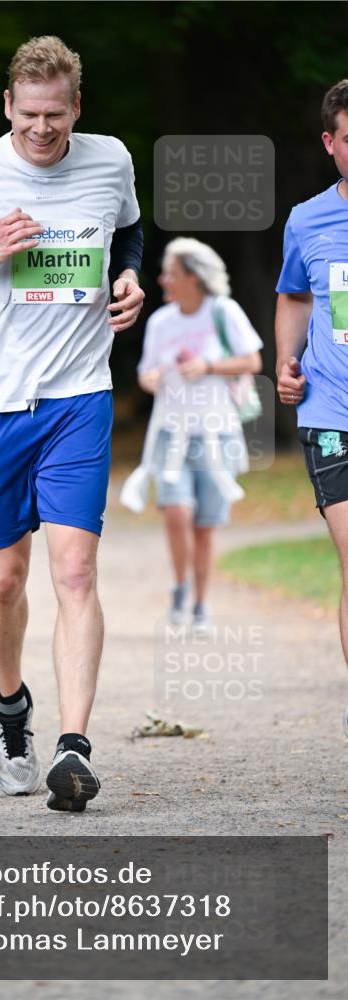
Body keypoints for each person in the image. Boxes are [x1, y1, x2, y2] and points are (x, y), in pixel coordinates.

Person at [0, 35, 145, 811]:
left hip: (79, 396)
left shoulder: (110, 160)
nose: (43, 128)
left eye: (57, 114)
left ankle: (73, 748)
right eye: (29, 114)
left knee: (73, 572)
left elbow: (128, 232)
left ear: (76, 107)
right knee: (5, 577)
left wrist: (131, 275)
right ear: (7, 106)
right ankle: (13, 711)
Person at [125, 239, 263, 631]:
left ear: (193, 278)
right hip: (171, 433)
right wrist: (150, 380)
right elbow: (146, 373)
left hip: (216, 435)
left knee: (205, 525)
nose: (164, 279)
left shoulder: (224, 312)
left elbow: (252, 360)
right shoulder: (160, 322)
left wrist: (207, 366)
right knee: (177, 513)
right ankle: (180, 586)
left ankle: (201, 604)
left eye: (171, 272)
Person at [275, 79, 348, 728]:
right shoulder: (307, 218)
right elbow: (294, 295)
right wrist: (284, 360)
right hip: (330, 409)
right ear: (330, 143)